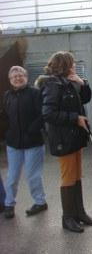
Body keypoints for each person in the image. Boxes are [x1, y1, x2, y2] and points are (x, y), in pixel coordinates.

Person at [39, 51, 92, 233]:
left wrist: (83, 83)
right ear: (65, 65)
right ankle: (68, 218)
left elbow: (85, 98)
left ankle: (79, 213)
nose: (74, 66)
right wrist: (75, 118)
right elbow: (48, 114)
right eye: (71, 63)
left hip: (75, 137)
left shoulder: (69, 82)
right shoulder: (52, 84)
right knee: (68, 176)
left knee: (77, 175)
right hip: (63, 139)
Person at [1, 66, 47, 219]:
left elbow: (43, 114)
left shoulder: (35, 93)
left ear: (26, 77)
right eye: (14, 76)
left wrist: (31, 130)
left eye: (20, 75)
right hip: (13, 144)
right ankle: (9, 204)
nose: (18, 78)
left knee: (33, 175)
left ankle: (40, 202)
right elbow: (5, 117)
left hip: (33, 143)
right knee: (12, 176)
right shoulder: (7, 95)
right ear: (10, 80)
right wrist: (7, 133)